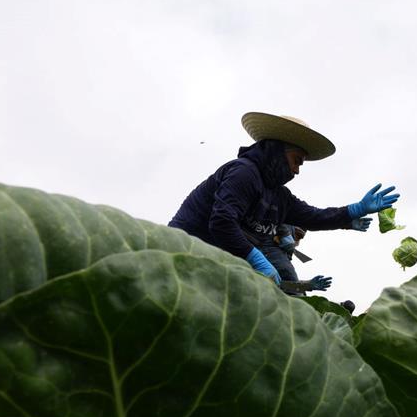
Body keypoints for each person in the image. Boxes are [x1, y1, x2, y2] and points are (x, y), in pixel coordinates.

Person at [168, 112, 399, 289]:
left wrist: (353, 211)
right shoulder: (243, 173)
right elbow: (221, 222)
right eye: (296, 160)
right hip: (181, 255)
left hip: (214, 267)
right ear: (277, 151)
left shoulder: (278, 196)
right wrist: (255, 257)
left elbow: (313, 217)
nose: (297, 170)